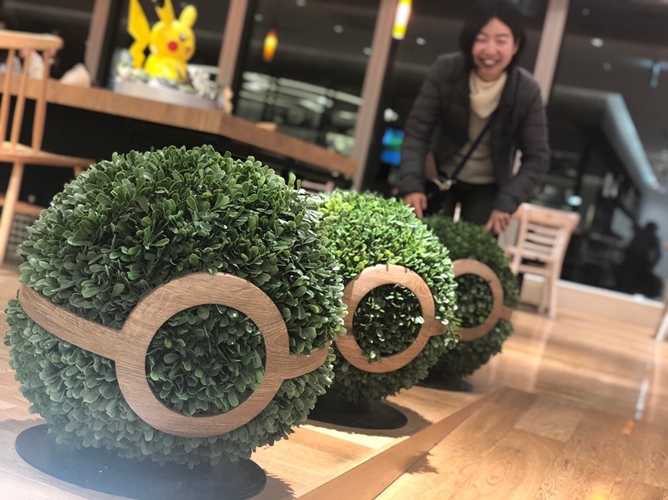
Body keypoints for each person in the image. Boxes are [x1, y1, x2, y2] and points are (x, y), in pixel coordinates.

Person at [399, 0, 549, 234]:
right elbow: (417, 132)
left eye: (501, 41)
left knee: (475, 249)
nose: (490, 50)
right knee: (425, 243)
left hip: (488, 187)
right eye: (481, 39)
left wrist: (507, 202)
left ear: (516, 45)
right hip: (439, 176)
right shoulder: (446, 70)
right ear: (469, 41)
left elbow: (537, 157)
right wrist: (412, 185)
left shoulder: (525, 90)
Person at [617, 222, 662, 298]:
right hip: (640, 266)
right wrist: (650, 267)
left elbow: (625, 246)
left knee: (624, 285)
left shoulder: (639, 233)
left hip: (629, 263)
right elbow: (658, 255)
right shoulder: (653, 238)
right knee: (630, 287)